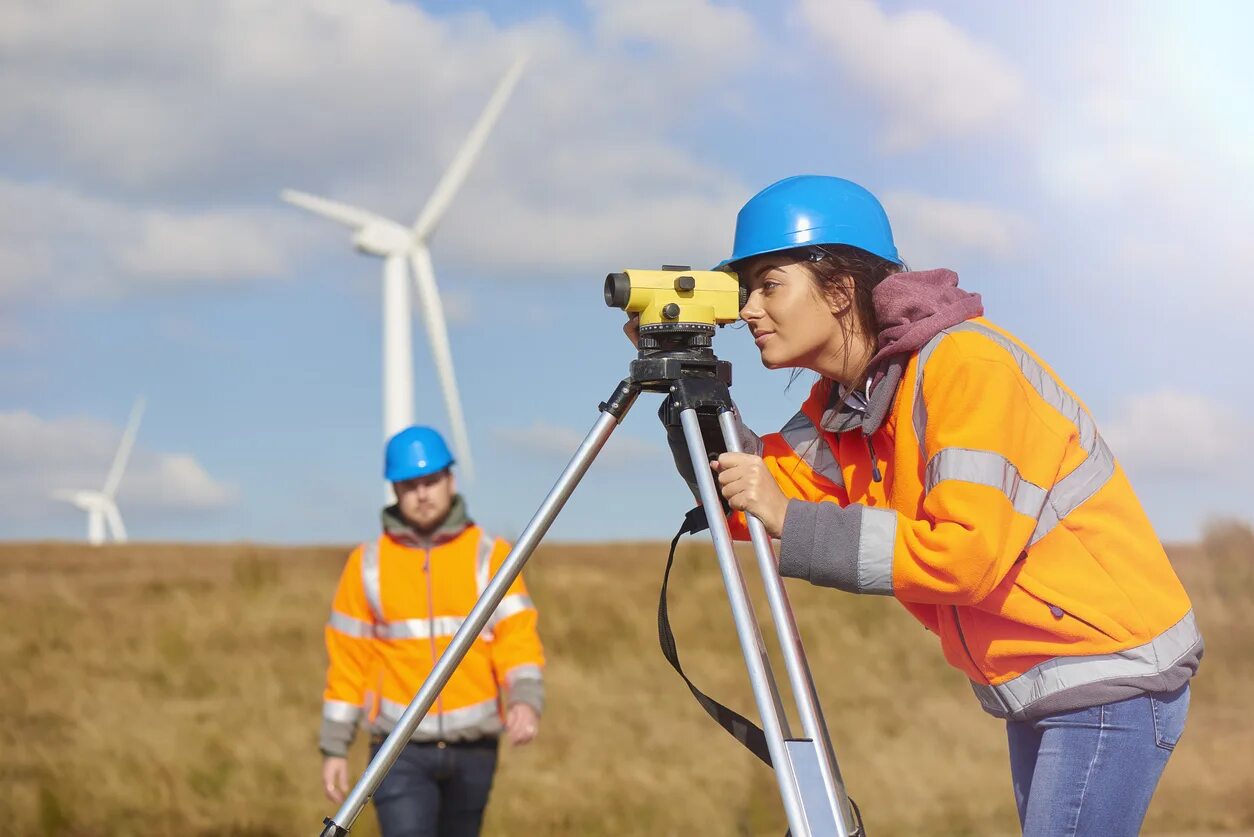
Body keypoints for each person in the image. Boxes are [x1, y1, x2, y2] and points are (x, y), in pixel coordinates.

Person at [633, 175, 1203, 836]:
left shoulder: (964, 367)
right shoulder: (850, 403)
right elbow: (747, 502)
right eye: (744, 290)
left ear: (840, 288)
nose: (751, 310)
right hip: (1040, 679)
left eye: (769, 284)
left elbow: (965, 556)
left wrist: (791, 518)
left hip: (1110, 669)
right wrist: (687, 385)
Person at [319, 426, 545, 837]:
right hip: (396, 751)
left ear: (450, 480)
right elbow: (348, 662)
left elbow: (517, 637)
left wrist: (525, 700)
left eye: (431, 481)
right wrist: (335, 747)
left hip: (474, 749)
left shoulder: (490, 555)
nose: (422, 493)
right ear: (395, 490)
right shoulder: (366, 564)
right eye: (410, 485)